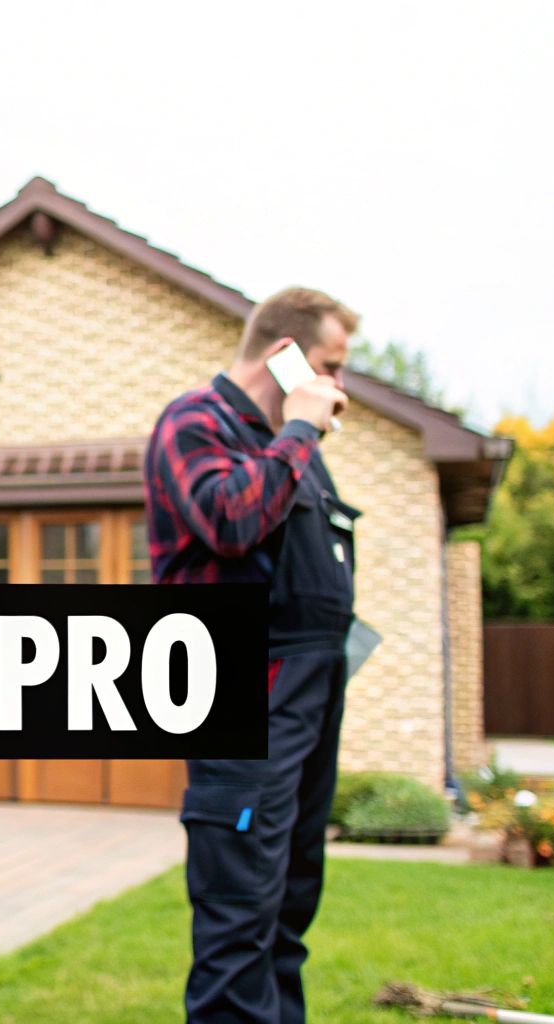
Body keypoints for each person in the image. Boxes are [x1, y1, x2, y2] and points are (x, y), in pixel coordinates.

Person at [142, 287, 359, 1024]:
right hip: (243, 695)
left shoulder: (292, 450)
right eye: (330, 365)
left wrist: (297, 438)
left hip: (309, 696)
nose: (339, 386)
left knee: (287, 913)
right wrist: (299, 429)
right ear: (285, 355)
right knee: (239, 919)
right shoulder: (195, 422)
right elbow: (230, 520)